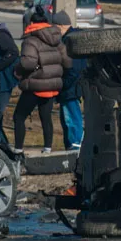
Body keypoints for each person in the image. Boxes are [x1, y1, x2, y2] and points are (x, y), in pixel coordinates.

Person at [12, 5, 71, 153]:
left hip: (35, 85)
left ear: (31, 23)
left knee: (19, 116)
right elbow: (68, 62)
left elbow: (28, 63)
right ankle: (48, 149)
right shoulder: (57, 39)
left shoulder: (30, 40)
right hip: (51, 87)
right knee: (46, 118)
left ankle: (18, 150)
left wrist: (17, 70)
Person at [51, 11, 85, 151]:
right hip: (70, 87)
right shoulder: (73, 39)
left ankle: (75, 146)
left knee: (71, 118)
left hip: (70, 88)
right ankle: (71, 145)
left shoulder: (70, 42)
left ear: (60, 26)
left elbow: (73, 69)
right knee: (67, 119)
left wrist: (62, 85)